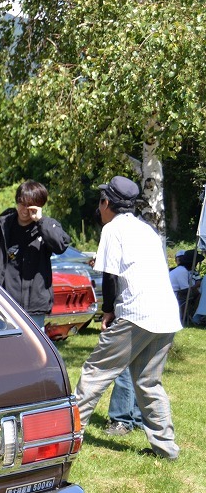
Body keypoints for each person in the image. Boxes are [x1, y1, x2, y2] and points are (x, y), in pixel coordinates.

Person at [74, 176, 182, 460]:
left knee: (95, 373)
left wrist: (107, 310)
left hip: (137, 313)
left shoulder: (113, 229)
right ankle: (166, 449)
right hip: (166, 314)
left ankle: (69, 437)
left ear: (106, 203)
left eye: (101, 201)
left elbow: (110, 276)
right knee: (148, 382)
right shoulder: (147, 230)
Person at [0, 180, 71, 330]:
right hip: (3, 301)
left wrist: (40, 221)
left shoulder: (46, 226)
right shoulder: (3, 225)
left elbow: (60, 246)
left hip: (33, 304)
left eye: (30, 206)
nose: (24, 209)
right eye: (21, 203)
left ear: (39, 206)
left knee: (33, 349)